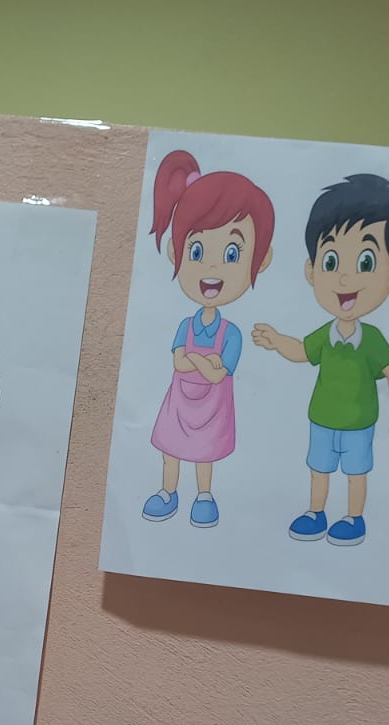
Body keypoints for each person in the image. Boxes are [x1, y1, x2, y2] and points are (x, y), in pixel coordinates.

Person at [252, 174, 389, 547]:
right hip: (322, 419)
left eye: (365, 261)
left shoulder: (372, 340)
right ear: (311, 271)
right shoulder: (325, 335)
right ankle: (316, 513)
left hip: (358, 424)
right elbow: (302, 351)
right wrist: (277, 341)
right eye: (330, 261)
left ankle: (354, 519)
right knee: (319, 470)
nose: (344, 277)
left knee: (356, 474)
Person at [141, 149, 274, 529]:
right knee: (169, 452)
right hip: (179, 404)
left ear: (260, 259)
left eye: (232, 252)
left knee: (204, 457)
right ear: (176, 252)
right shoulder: (186, 323)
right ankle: (167, 492)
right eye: (197, 250)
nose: (212, 266)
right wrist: (204, 361)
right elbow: (179, 361)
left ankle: (203, 496)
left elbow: (218, 373)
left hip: (211, 409)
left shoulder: (231, 334)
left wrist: (196, 361)